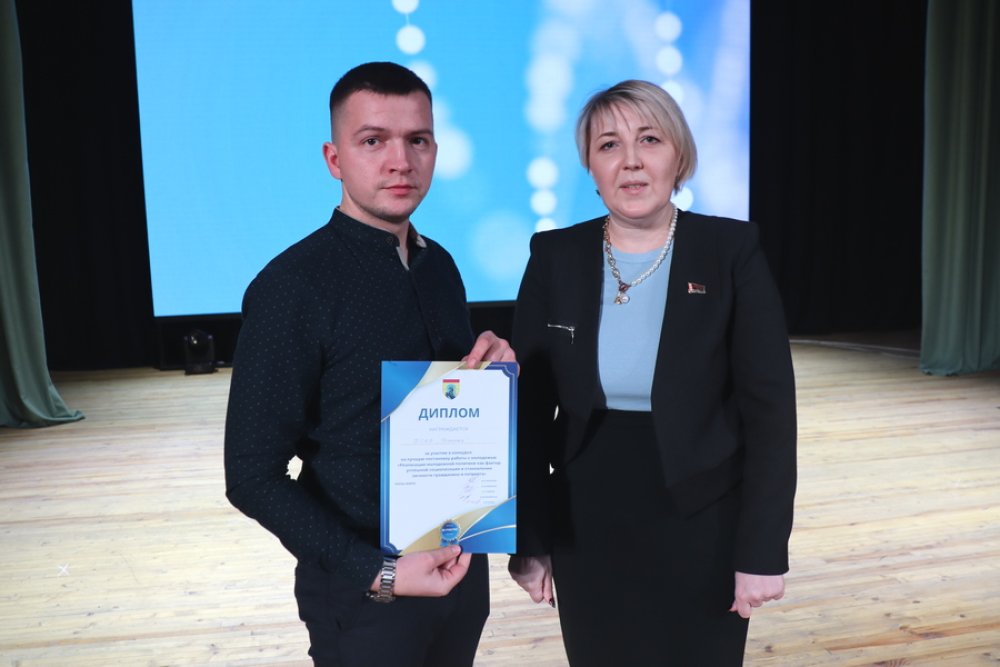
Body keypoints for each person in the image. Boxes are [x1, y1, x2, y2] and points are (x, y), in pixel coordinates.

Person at [224, 61, 515, 667]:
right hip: (366, 595)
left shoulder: (440, 267)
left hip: (461, 572)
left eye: (418, 140)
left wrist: (490, 370)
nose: (400, 162)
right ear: (335, 159)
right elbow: (251, 475)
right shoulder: (291, 287)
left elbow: (448, 413)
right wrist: (380, 572)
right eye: (373, 141)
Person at [508, 79, 797, 665]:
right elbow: (528, 416)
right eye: (609, 145)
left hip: (704, 516)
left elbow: (771, 415)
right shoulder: (554, 256)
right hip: (585, 519)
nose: (631, 161)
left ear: (678, 155)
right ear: (591, 166)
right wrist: (530, 539)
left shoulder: (730, 250)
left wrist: (762, 551)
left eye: (649, 139)